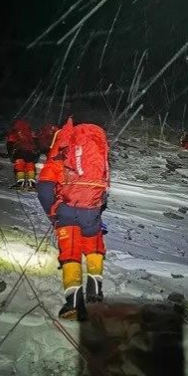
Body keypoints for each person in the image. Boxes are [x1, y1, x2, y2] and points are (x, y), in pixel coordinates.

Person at [37, 117, 109, 321]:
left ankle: (74, 303)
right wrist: (95, 208)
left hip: (66, 211)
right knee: (94, 244)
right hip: (91, 210)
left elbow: (44, 190)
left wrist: (53, 214)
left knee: (71, 254)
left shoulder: (60, 156)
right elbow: (103, 192)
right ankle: (95, 289)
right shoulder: (96, 156)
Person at [6, 119, 39, 188]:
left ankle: (20, 183)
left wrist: (11, 155)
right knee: (30, 167)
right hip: (31, 153)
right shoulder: (31, 132)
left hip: (19, 152)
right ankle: (31, 184)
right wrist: (36, 156)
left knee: (19, 167)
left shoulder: (13, 133)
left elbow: (10, 144)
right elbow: (37, 144)